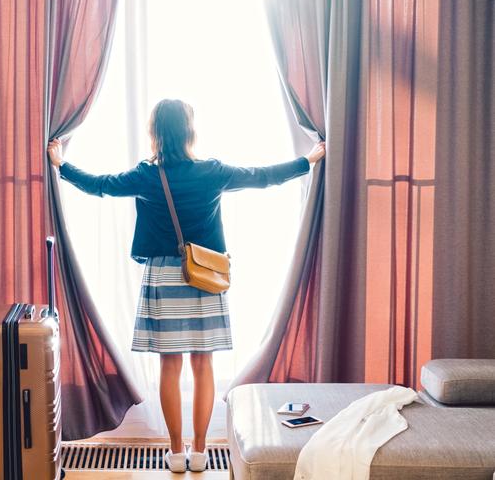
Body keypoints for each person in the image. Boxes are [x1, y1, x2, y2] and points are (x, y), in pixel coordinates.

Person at [48, 98, 325, 473]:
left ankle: (176, 453)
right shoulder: (211, 171)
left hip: (164, 277)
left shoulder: (147, 175)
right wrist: (308, 160)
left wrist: (61, 165)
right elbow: (262, 176)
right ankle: (200, 451)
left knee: (170, 366)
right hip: (205, 278)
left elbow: (101, 186)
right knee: (203, 363)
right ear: (189, 131)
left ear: (155, 133)